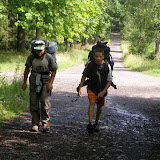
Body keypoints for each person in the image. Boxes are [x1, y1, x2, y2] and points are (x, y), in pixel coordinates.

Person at [22, 40, 58, 132]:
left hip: (46, 79)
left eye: (41, 50)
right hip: (34, 78)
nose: (39, 52)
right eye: (37, 50)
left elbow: (54, 70)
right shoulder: (31, 57)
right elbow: (27, 69)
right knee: (33, 101)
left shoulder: (49, 57)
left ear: (45, 49)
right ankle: (35, 124)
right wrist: (24, 82)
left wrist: (51, 83)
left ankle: (45, 123)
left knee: (45, 102)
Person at [78, 47, 112, 133]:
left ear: (103, 56)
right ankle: (90, 124)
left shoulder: (107, 66)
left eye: (100, 56)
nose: (98, 58)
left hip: (102, 88)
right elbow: (84, 76)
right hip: (91, 87)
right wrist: (80, 88)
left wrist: (103, 91)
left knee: (100, 106)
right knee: (92, 102)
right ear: (94, 56)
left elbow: (109, 81)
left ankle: (96, 123)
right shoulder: (90, 65)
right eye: (96, 56)